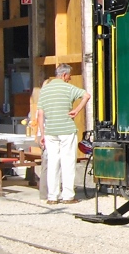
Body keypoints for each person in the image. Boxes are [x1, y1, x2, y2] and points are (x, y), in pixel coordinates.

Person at [34, 64, 89, 204]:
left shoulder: (45, 90)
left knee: (53, 163)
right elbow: (86, 95)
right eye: (69, 76)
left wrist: (42, 133)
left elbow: (40, 114)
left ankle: (52, 196)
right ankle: (68, 195)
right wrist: (77, 110)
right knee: (68, 162)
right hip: (66, 129)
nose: (69, 79)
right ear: (64, 75)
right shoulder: (67, 88)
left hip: (50, 131)